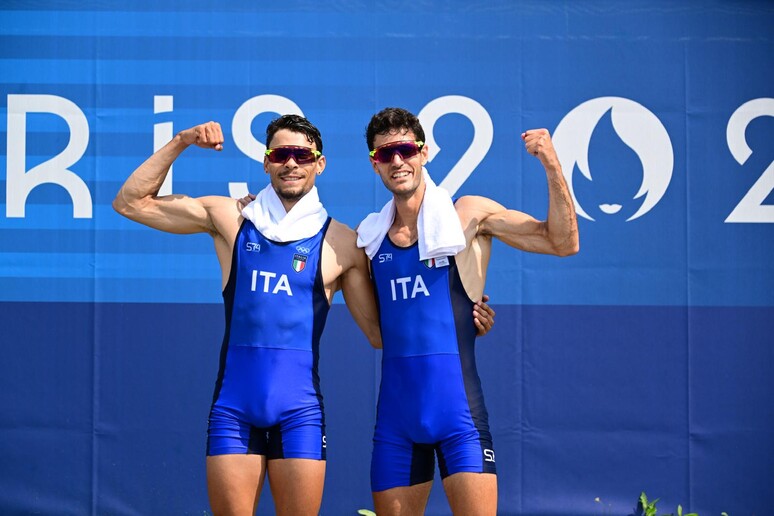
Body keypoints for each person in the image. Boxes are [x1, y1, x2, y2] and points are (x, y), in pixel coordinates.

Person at [112, 114, 495, 515]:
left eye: (301, 155)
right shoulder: (232, 220)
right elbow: (130, 202)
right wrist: (181, 141)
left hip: (300, 415)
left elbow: (383, 332)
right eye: (280, 154)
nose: (291, 163)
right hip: (233, 410)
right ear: (266, 163)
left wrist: (464, 316)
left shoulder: (343, 243)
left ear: (319, 163)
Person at [357, 107, 579, 515]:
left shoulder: (468, 216)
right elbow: (377, 331)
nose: (397, 161)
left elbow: (562, 242)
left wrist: (551, 163)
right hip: (396, 423)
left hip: (459, 417)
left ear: (423, 153)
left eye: (406, 149)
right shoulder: (369, 240)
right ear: (375, 163)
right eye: (385, 154)